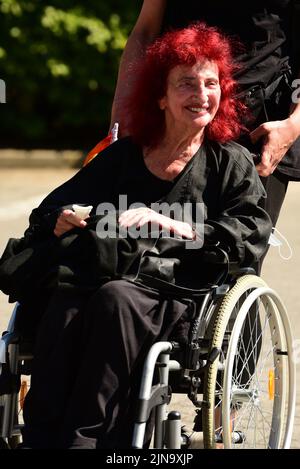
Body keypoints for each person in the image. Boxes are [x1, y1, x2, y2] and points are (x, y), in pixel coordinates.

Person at [0, 23, 271, 449]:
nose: (202, 95)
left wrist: (180, 227)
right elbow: (52, 207)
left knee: (114, 298)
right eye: (187, 84)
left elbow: (251, 233)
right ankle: (42, 437)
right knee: (67, 300)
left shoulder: (229, 163)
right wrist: (64, 216)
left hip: (182, 294)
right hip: (107, 279)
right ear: (160, 97)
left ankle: (91, 440)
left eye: (211, 83)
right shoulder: (124, 155)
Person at [111, 0, 300, 232]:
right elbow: (146, 31)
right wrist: (122, 116)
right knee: (142, 242)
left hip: (259, 128)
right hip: (173, 117)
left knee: (234, 253)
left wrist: (295, 122)